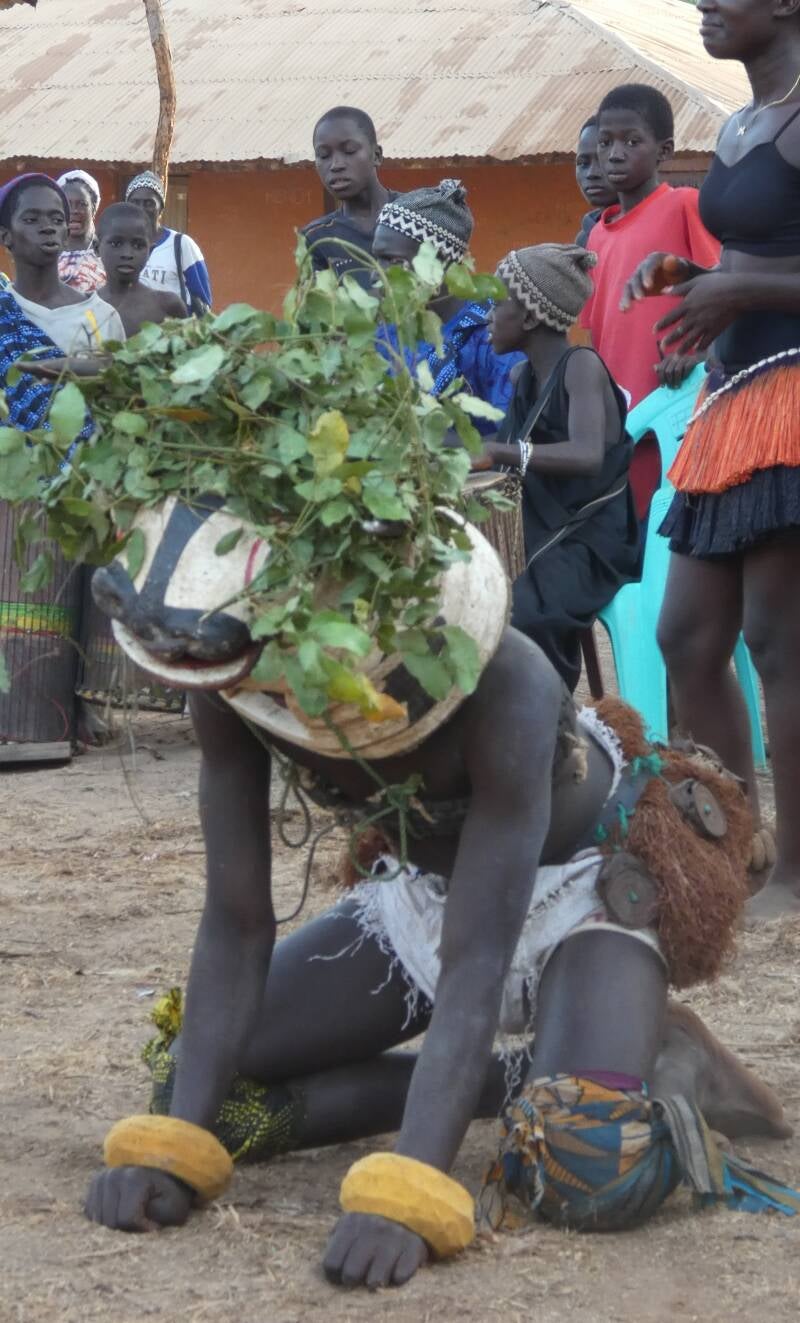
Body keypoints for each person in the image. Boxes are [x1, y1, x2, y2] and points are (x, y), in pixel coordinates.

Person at [80, 483, 799, 1284]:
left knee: (586, 1161)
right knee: (199, 1077)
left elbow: (477, 961)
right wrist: (173, 1149)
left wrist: (408, 1192)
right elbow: (236, 920)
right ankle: (510, 1078)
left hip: (586, 891)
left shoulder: (509, 688)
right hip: (424, 892)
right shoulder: (233, 675)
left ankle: (667, 1058)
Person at [620, 0, 800, 917]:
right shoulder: (739, 124)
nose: (703, 3)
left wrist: (739, 289)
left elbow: (765, 273)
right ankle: (746, 843)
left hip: (794, 395)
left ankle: (797, 871)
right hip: (733, 397)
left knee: (777, 639)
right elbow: (754, 255)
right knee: (687, 637)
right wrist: (698, 287)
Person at [481, 244, 640, 692]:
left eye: (498, 304)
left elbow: (587, 456)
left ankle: (547, 712)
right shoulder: (523, 377)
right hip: (543, 531)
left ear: (530, 317)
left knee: (523, 611)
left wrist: (500, 454)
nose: (488, 316)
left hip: (591, 539)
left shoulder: (581, 367)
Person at [582, 84, 720, 406]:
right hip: (620, 408)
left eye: (632, 142)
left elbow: (725, 295)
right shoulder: (596, 236)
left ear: (664, 150)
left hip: (677, 396)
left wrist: (700, 355)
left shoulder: (684, 205)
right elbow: (596, 331)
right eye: (605, 142)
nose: (615, 154)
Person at [373, 179, 524, 430]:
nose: (376, 274)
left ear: (440, 262)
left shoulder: (493, 334)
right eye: (377, 259)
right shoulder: (387, 333)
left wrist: (414, 439)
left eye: (393, 261)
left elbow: (510, 438)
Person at [0, 174, 123, 424]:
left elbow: (122, 397)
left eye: (57, 220)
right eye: (31, 219)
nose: (48, 227)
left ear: (66, 234)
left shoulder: (102, 317)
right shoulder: (4, 314)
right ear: (5, 236)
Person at [301, 106, 394, 289]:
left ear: (376, 155)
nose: (336, 165)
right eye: (323, 156)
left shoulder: (419, 214)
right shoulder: (316, 238)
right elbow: (317, 304)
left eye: (349, 151)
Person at [125, 171, 212, 314]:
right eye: (135, 203)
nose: (141, 209)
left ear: (161, 208)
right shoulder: (119, 247)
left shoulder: (181, 244)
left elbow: (202, 302)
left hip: (173, 327)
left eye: (149, 203)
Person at [96, 203, 187, 337]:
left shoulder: (168, 306)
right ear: (96, 247)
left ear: (150, 251)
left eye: (138, 245)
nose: (127, 254)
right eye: (116, 244)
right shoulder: (86, 307)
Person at [55, 169, 105, 294]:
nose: (74, 211)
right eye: (67, 204)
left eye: (82, 204)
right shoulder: (48, 251)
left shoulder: (105, 251)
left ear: (93, 209)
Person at [575, 117, 617, 248]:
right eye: (583, 163)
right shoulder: (584, 240)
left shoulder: (659, 224)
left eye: (604, 161)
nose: (591, 173)